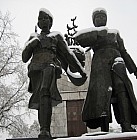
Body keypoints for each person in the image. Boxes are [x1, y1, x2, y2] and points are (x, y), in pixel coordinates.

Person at [75, 8, 137, 132]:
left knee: (121, 87)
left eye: (103, 17)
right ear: (94, 21)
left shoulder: (114, 33)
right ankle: (104, 127)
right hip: (100, 66)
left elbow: (124, 52)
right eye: (98, 17)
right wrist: (97, 33)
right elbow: (79, 38)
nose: (101, 19)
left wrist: (134, 69)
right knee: (103, 94)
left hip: (117, 62)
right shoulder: (93, 33)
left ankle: (126, 124)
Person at [22, 8, 86, 139]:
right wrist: (32, 44)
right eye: (40, 19)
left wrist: (81, 70)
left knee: (45, 92)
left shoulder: (56, 36)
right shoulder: (33, 37)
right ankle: (43, 129)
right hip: (35, 71)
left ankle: (45, 129)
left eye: (46, 18)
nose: (43, 21)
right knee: (41, 97)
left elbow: (68, 54)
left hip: (50, 67)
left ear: (51, 22)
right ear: (38, 22)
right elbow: (24, 57)